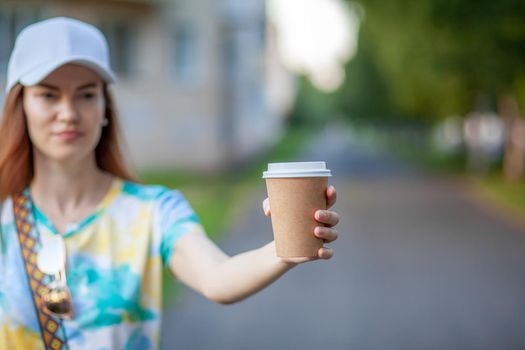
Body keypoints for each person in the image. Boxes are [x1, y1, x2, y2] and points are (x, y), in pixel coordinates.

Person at [0, 17, 340, 350]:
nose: (68, 112)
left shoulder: (153, 211)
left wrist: (286, 247)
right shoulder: (3, 217)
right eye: (48, 95)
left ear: (105, 107)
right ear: (21, 106)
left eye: (86, 95)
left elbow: (217, 277)